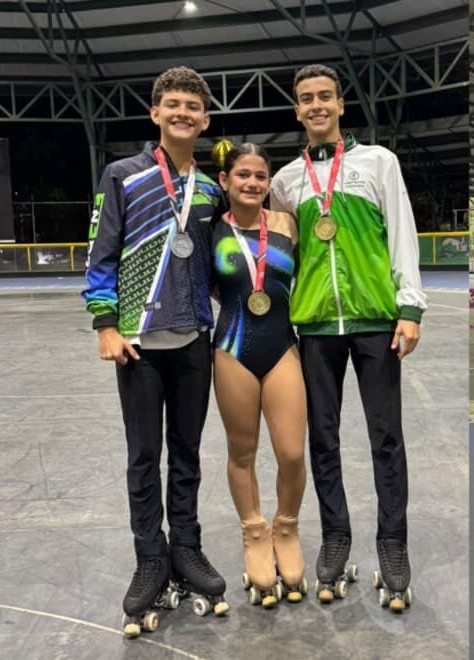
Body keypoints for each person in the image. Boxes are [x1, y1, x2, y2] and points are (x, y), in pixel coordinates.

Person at [269, 64, 426, 610]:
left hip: (376, 321)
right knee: (323, 439)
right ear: (297, 110)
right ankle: (336, 536)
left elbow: (402, 232)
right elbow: (282, 254)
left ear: (340, 105)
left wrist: (410, 307)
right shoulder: (285, 181)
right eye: (305, 98)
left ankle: (392, 543)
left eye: (324, 97)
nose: (315, 105)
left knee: (387, 438)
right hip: (313, 327)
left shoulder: (378, 162)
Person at [82, 66, 228, 638]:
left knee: (187, 455)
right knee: (144, 457)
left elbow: (219, 262)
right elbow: (101, 254)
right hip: (138, 346)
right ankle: (150, 557)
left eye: (192, 106)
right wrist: (105, 325)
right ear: (155, 113)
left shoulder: (212, 190)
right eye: (172, 104)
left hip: (194, 339)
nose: (182, 113)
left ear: (205, 119)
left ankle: (186, 551)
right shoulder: (122, 175)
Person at [211, 143, 307, 608]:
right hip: (231, 347)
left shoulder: (287, 224)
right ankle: (253, 530)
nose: (252, 183)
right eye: (242, 174)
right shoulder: (210, 229)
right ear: (225, 180)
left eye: (260, 176)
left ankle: (286, 527)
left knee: (291, 452)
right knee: (242, 451)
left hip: (282, 346)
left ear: (270, 182)